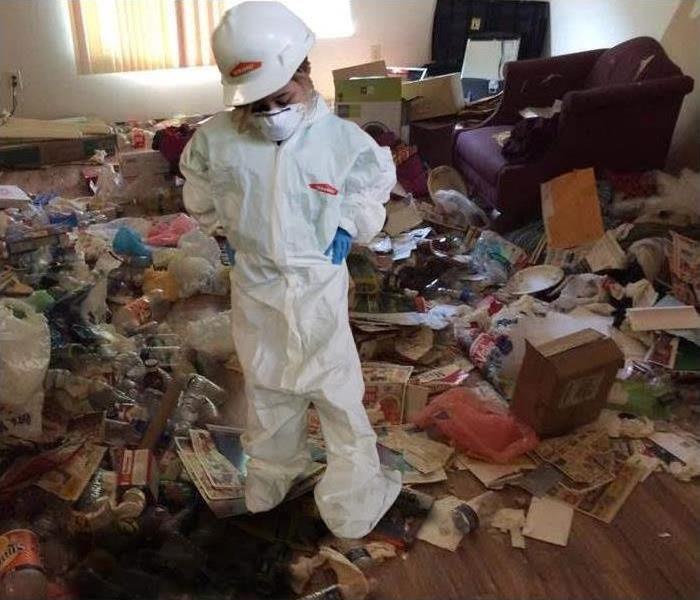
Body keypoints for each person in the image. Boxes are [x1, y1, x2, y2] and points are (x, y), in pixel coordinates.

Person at [180, 1, 401, 539]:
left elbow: (373, 182)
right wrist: (223, 232)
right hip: (255, 284)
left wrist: (349, 222)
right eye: (259, 104)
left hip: (317, 282)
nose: (272, 111)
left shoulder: (339, 140)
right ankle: (276, 470)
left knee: (336, 391)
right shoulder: (220, 139)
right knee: (268, 384)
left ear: (304, 72)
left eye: (283, 97)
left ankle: (355, 486)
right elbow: (199, 186)